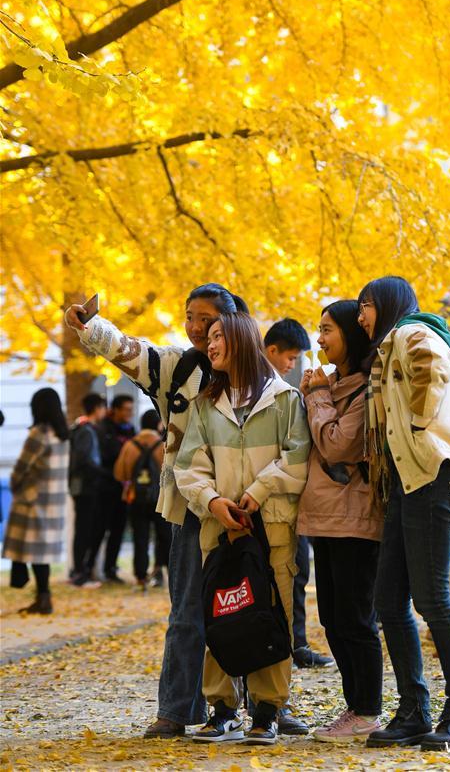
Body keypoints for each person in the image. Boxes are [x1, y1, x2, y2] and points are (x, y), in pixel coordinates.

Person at [65, 283, 247, 739]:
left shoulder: (252, 372)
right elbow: (131, 351)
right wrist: (91, 327)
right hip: (188, 510)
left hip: (244, 510)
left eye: (206, 318)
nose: (196, 327)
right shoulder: (177, 367)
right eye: (189, 317)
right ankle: (175, 710)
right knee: (186, 610)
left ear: (230, 322)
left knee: (243, 608)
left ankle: (254, 707)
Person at [174, 313, 310, 746]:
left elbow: (298, 457)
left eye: (218, 337)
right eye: (208, 338)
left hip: (271, 526)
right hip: (219, 528)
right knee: (222, 610)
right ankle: (223, 709)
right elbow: (188, 467)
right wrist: (214, 501)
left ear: (241, 341)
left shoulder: (285, 400)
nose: (209, 345)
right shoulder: (204, 405)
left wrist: (257, 490)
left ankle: (267, 711)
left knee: (273, 613)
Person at [357, 276, 450, 751]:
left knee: (431, 600)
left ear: (383, 304)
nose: (361, 316)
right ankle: (413, 712)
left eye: (364, 306)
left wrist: (415, 422)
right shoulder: (392, 345)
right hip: (410, 482)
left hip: (434, 474)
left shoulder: (411, 333)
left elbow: (432, 373)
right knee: (389, 599)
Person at [298, 300, 384, 741]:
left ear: (351, 333)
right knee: (332, 617)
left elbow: (336, 445)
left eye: (327, 329)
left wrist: (316, 396)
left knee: (355, 617)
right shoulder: (333, 384)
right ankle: (355, 707)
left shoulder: (366, 389)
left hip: (355, 517)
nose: (320, 338)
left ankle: (368, 708)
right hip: (324, 516)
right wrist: (317, 392)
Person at [264, 318, 333, 673]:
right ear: (272, 350)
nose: (292, 366)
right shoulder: (271, 391)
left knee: (297, 574)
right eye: (290, 358)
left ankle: (297, 643)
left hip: (293, 501)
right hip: (272, 501)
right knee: (287, 575)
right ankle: (288, 644)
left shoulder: (284, 389)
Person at [2, 388, 69, 614]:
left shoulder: (40, 433)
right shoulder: (63, 434)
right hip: (55, 501)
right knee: (42, 554)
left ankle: (41, 597)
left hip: (33, 500)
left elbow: (22, 467)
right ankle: (43, 597)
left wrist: (15, 485)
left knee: (30, 551)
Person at [114, 409, 172, 589]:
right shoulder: (163, 445)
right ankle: (166, 574)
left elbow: (119, 474)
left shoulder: (130, 445)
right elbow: (172, 473)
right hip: (161, 498)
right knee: (165, 537)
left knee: (140, 538)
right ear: (158, 424)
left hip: (136, 498)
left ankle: (141, 577)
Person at [86, 393, 135, 584]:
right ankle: (88, 567)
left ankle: (110, 569)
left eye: (131, 409)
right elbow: (105, 456)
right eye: (126, 409)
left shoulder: (130, 430)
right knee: (98, 530)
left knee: (118, 530)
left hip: (123, 490)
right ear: (115, 410)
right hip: (105, 488)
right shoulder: (102, 429)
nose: (130, 413)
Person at [68, 392, 107, 586]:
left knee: (84, 530)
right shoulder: (86, 430)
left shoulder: (79, 428)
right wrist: (104, 473)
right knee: (84, 530)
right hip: (86, 488)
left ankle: (80, 571)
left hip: (83, 487)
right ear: (97, 408)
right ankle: (79, 573)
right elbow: (84, 460)